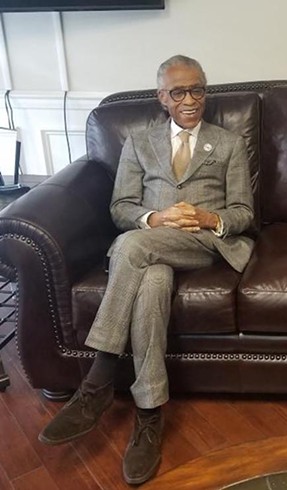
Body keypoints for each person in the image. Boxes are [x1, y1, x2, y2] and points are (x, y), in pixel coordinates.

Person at [38, 55, 254, 485]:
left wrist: (208, 218)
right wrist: (155, 220)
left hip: (202, 241)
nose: (190, 100)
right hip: (154, 242)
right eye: (179, 92)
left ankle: (98, 379)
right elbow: (122, 208)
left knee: (131, 248)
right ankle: (149, 416)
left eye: (197, 90)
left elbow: (244, 213)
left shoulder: (228, 144)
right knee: (151, 277)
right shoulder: (139, 142)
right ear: (162, 98)